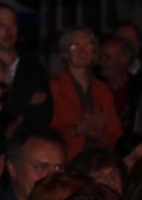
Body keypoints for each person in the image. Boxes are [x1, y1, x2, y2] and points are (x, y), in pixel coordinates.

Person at [49, 28, 122, 157]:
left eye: (88, 46)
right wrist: (76, 131)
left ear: (94, 53)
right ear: (65, 53)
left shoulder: (102, 89)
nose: (82, 51)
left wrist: (100, 135)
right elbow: (46, 133)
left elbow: (115, 133)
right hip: (66, 160)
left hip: (97, 160)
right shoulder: (54, 86)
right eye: (74, 46)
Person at [0, 2, 52, 131]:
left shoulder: (33, 68)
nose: (8, 32)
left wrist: (4, 107)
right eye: (1, 25)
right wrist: (26, 105)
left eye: (12, 25)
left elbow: (44, 114)